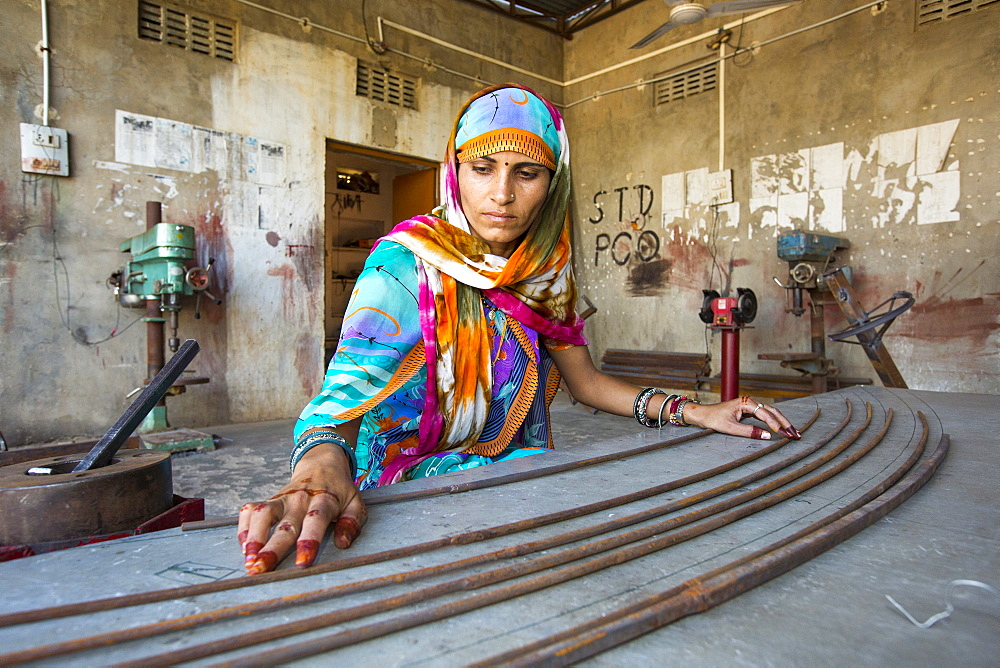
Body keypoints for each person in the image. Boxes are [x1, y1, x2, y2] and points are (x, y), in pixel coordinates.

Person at [238, 83, 800, 575]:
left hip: (514, 481)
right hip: (410, 493)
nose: (502, 194)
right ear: (454, 171)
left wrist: (697, 411)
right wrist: (318, 469)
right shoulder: (405, 265)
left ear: (552, 185)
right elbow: (343, 395)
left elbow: (587, 385)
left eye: (527, 172)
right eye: (482, 169)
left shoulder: (546, 275)